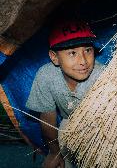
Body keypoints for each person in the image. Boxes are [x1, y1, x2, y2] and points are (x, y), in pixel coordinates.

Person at [26, 20, 104, 168]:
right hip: (69, 123)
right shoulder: (46, 76)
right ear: (54, 57)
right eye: (72, 53)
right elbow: (48, 119)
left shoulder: (103, 76)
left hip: (101, 129)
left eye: (88, 50)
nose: (83, 61)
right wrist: (54, 152)